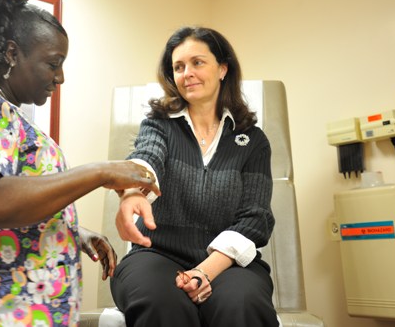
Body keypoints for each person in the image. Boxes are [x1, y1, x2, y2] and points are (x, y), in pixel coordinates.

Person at [0, 0, 159, 326]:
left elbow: (15, 201)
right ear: (12, 53)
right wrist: (100, 172)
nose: (60, 77)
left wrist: (72, 231)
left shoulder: (4, 113)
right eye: (53, 63)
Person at [110, 27, 278, 326]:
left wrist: (205, 272)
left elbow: (255, 217)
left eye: (197, 62)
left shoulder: (252, 141)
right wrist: (134, 191)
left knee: (242, 303)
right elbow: (147, 158)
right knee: (160, 303)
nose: (187, 73)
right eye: (178, 67)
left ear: (223, 68)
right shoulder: (158, 126)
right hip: (157, 255)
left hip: (227, 262)